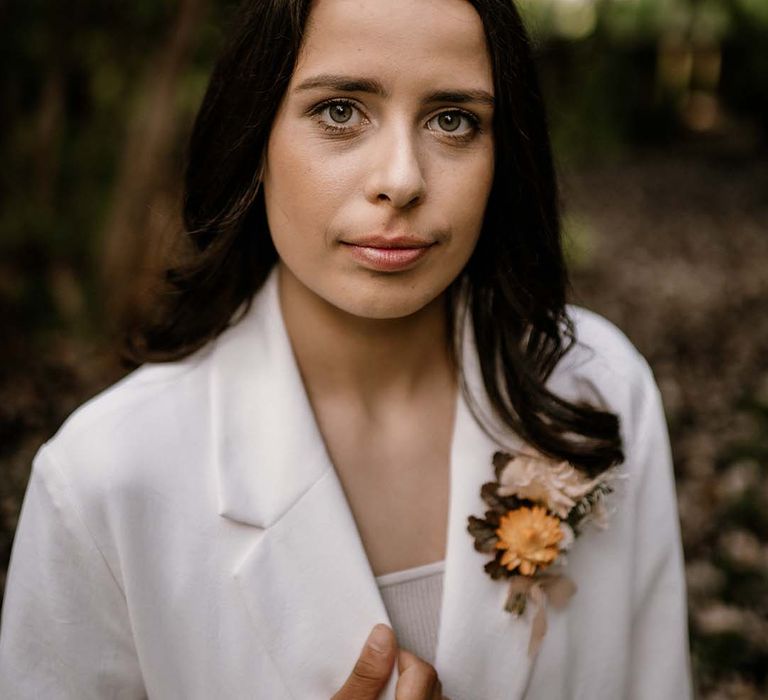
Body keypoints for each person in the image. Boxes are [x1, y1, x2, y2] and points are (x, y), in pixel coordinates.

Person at [0, 0, 694, 698]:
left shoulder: (598, 392)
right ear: (254, 134)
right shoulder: (103, 480)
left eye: (453, 120)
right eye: (339, 111)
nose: (402, 179)